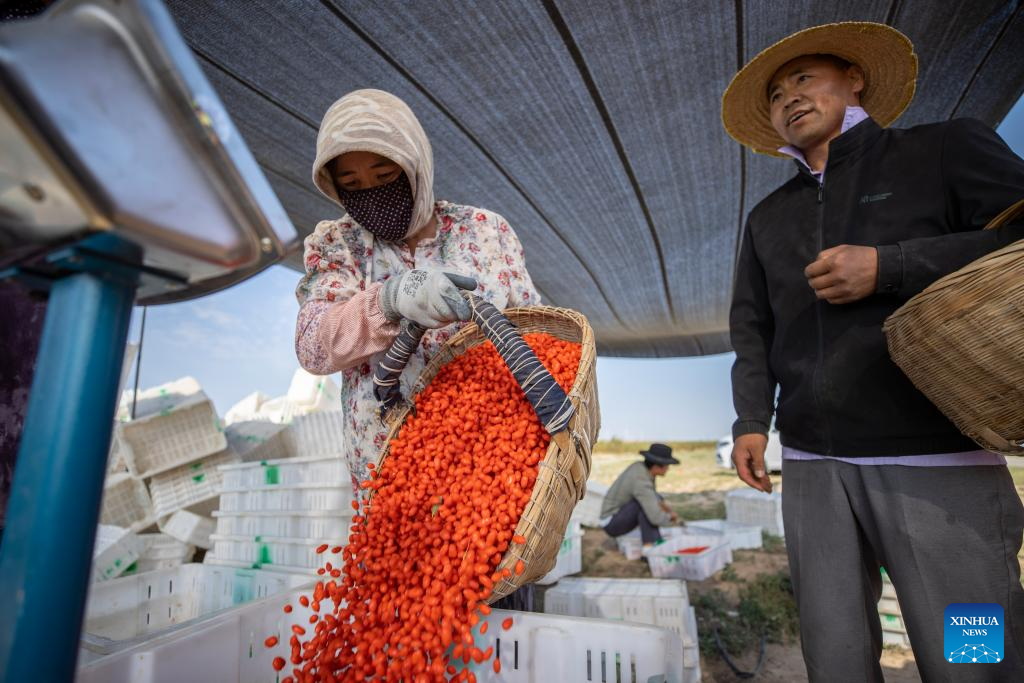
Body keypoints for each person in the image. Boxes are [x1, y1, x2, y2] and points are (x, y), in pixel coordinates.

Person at [721, 21, 1024, 681]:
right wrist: (751, 420)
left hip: (939, 458)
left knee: (973, 653)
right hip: (813, 469)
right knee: (836, 654)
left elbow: (1017, 237)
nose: (789, 98)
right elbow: (752, 327)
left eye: (803, 76)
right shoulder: (768, 218)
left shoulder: (941, 149)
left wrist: (890, 266)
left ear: (854, 78)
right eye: (775, 94)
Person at [294, 89, 540, 611]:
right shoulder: (337, 246)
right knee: (402, 636)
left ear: (417, 165)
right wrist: (388, 301)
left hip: (490, 487)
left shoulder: (486, 233)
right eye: (353, 185)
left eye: (386, 178)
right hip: (393, 501)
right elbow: (315, 345)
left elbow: (533, 335)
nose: (372, 195)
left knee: (497, 632)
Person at [600, 443, 680, 546]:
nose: (668, 469)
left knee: (650, 502)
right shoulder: (641, 481)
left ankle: (653, 545)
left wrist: (665, 507)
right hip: (611, 523)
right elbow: (655, 517)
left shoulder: (641, 468)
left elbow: (653, 496)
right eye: (667, 465)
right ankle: (651, 548)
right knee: (646, 509)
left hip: (617, 515)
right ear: (656, 466)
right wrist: (669, 518)